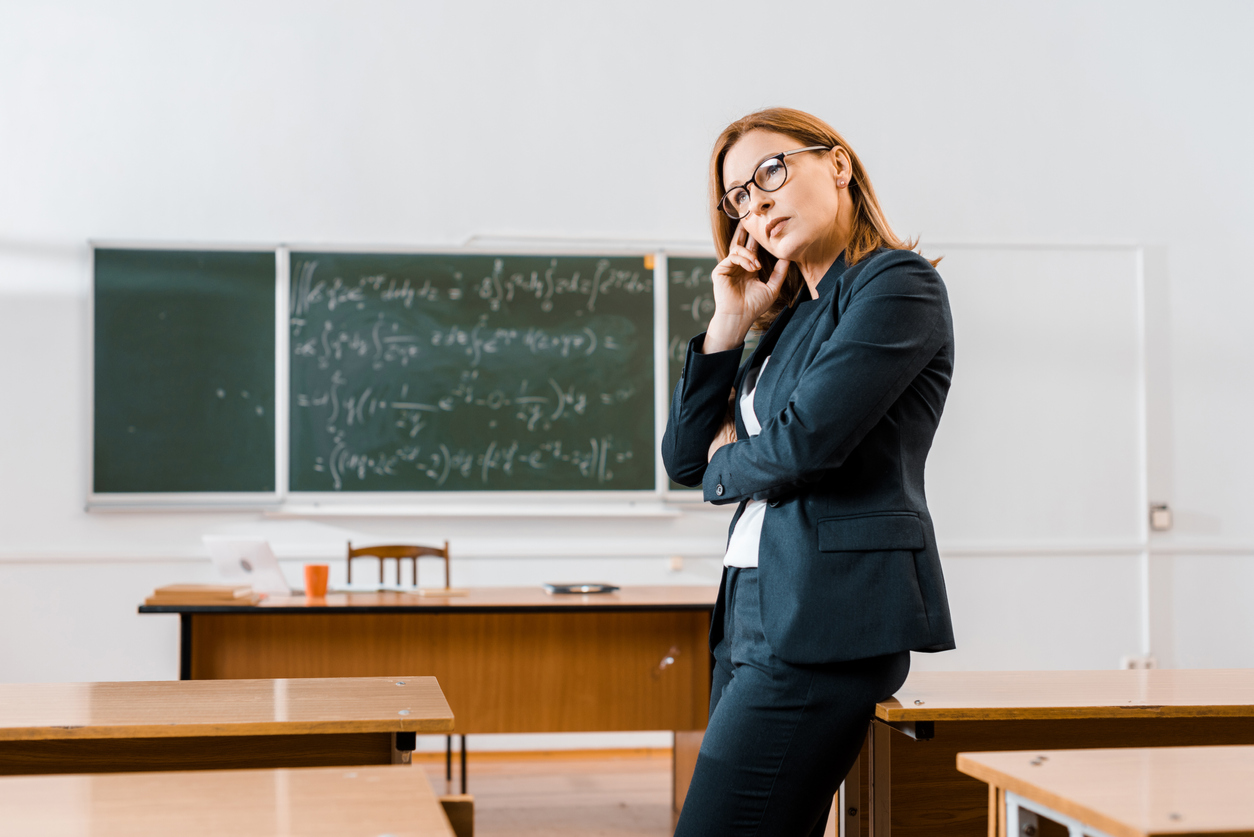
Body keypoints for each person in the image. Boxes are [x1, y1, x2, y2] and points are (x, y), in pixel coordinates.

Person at [662, 107, 956, 836]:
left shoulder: (896, 285)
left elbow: (803, 448)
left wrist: (728, 463)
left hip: (827, 617)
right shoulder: (791, 321)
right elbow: (682, 457)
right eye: (738, 197)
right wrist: (731, 320)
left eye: (771, 171)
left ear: (838, 164)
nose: (756, 202)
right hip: (751, 610)